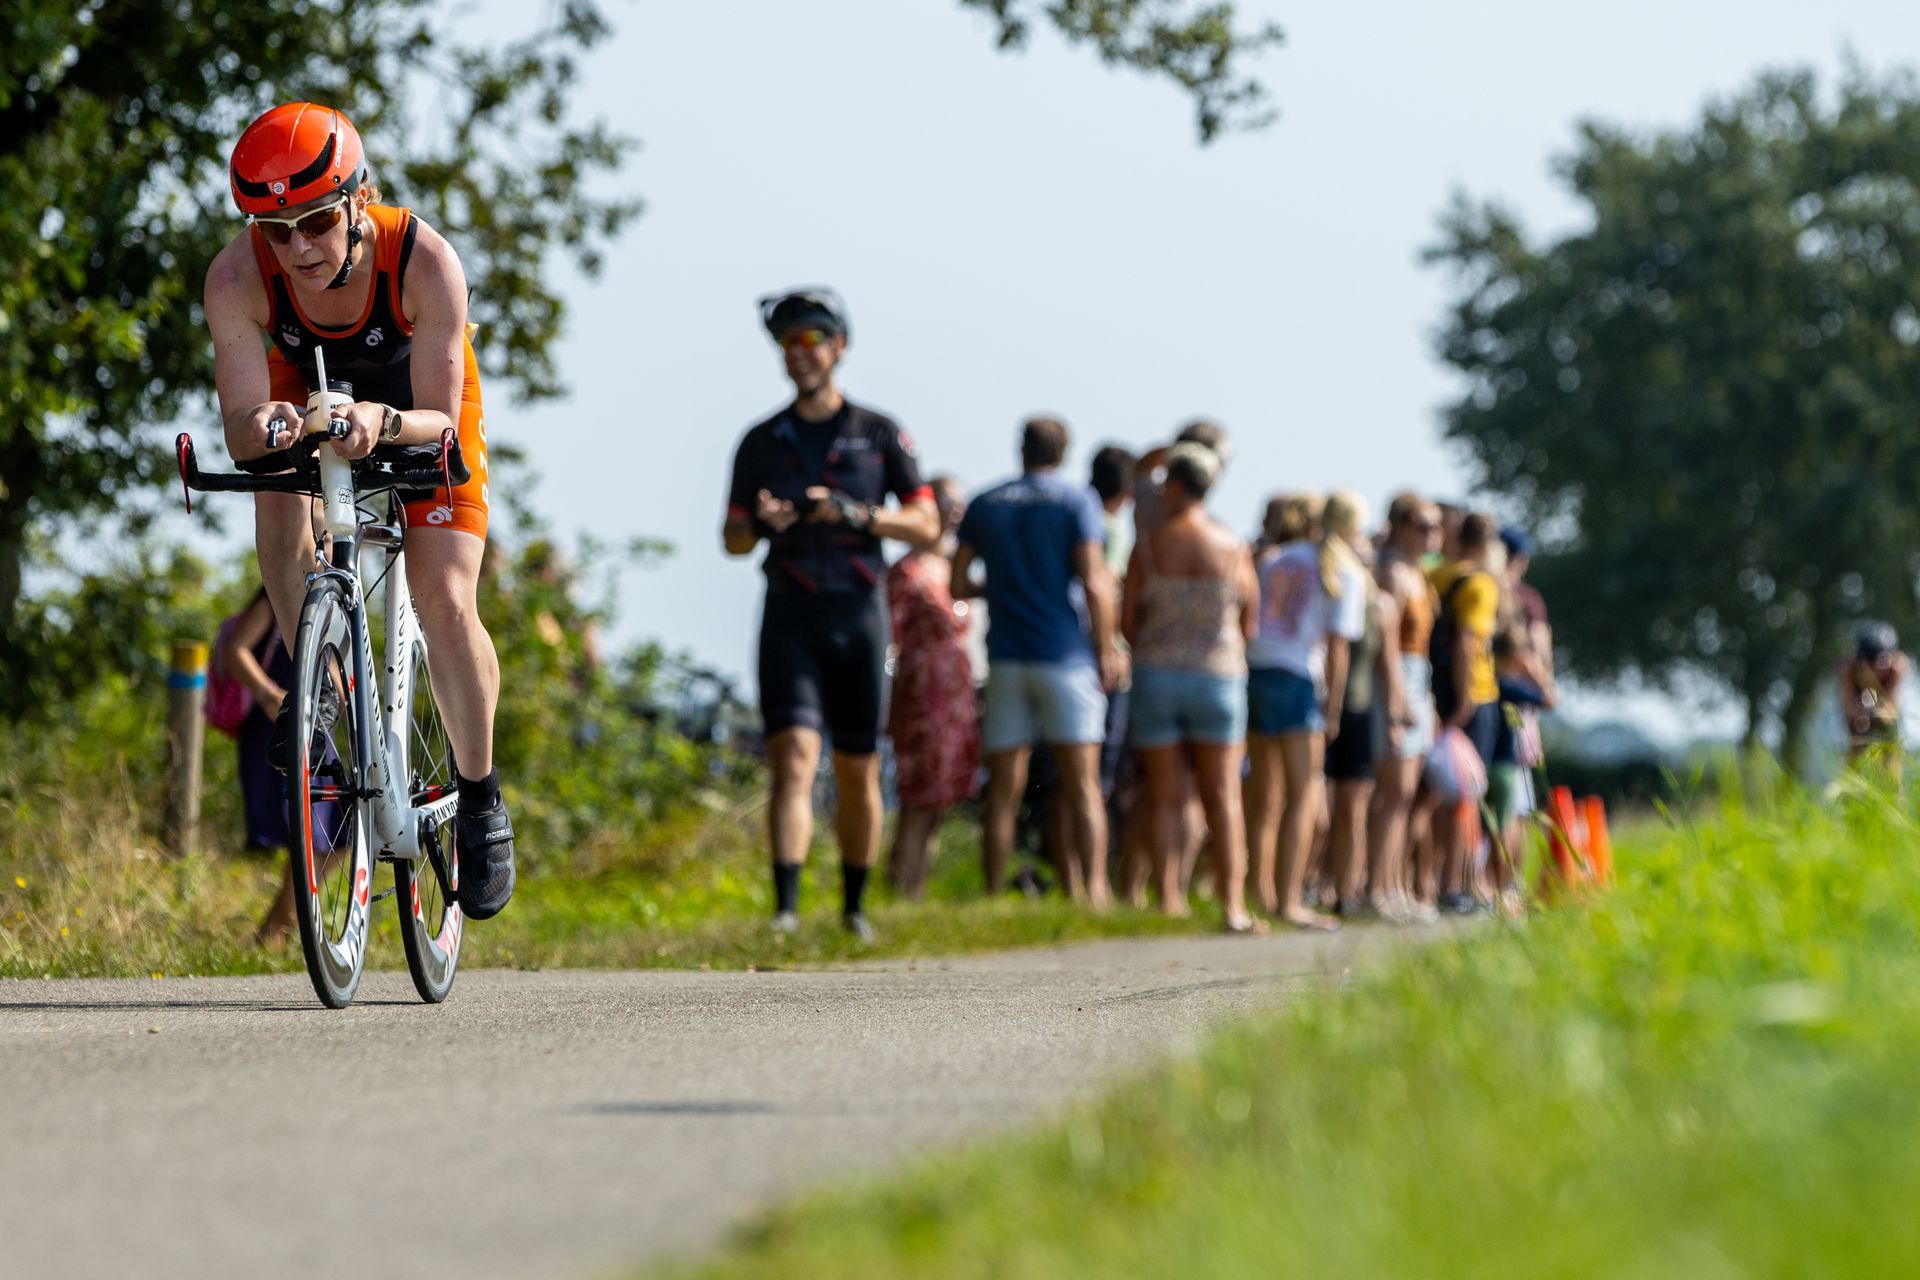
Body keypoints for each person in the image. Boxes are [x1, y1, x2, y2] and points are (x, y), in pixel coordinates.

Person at [205, 102, 515, 919]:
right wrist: (267, 425)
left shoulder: (425, 260)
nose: (299, 248)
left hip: (416, 404)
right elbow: (241, 426)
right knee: (277, 503)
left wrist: (382, 421)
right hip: (304, 385)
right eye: (276, 232)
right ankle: (324, 685)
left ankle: (481, 799)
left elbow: (440, 421)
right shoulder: (237, 279)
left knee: (445, 600)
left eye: (315, 222)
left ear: (358, 198)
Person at [722, 286, 939, 940]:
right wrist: (762, 523)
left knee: (857, 765)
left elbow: (926, 523)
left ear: (838, 347)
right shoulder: (761, 440)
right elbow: (730, 538)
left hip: (859, 614)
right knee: (791, 760)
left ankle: (854, 908)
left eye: (813, 339)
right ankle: (786, 911)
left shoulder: (878, 433)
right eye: (789, 341)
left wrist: (861, 514)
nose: (800, 352)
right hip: (790, 614)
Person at [952, 417, 1120, 906]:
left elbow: (959, 584)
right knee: (1084, 784)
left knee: (1003, 788)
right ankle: (1095, 894)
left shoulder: (986, 502)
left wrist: (1001, 587)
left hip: (1006, 655)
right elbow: (1094, 581)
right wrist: (1107, 647)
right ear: (1063, 453)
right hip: (1064, 655)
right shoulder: (1076, 502)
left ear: (1020, 449)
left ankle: (991, 893)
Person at [1120, 445, 1260, 932]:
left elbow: (1127, 620)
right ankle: (1234, 906)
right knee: (1224, 796)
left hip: (1158, 674)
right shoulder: (1234, 547)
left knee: (1165, 796)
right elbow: (1250, 620)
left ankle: (1169, 899)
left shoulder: (1149, 546)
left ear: (1177, 487)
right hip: (1218, 677)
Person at [1245, 490, 1369, 931]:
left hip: (1256, 669)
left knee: (1263, 797)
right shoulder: (1343, 571)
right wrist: (1333, 706)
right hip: (1297, 675)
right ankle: (1289, 901)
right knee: (1302, 796)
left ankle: (1259, 893)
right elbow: (1338, 649)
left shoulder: (1276, 558)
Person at [884, 478, 980, 899]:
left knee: (941, 798)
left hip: (957, 692)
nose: (955, 511)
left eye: (960, 504)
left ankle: (917, 888)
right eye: (947, 503)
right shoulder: (907, 571)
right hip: (921, 691)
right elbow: (889, 637)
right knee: (917, 797)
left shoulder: (954, 566)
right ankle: (900, 886)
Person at [1368, 494, 1442, 920]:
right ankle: (1379, 888)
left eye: (1436, 526)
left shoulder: (1417, 573)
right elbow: (1389, 646)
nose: (1433, 534)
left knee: (1406, 792)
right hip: (1396, 679)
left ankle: (1395, 885)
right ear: (1401, 526)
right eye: (1424, 525)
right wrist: (1397, 701)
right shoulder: (1393, 573)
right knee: (1392, 791)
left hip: (1417, 678)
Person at [1427, 512, 1503, 913]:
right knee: (1467, 794)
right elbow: (1466, 643)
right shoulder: (1480, 584)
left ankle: (1439, 878)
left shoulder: (1439, 576)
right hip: (1472, 696)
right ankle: (1457, 885)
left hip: (1435, 692)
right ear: (1488, 543)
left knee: (1439, 794)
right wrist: (1466, 700)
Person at [1323, 544, 1402, 916]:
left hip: (1361, 711)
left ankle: (1345, 891)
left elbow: (1389, 664)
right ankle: (1315, 884)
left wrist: (1395, 716)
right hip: (1324, 710)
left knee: (1353, 810)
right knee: (1321, 809)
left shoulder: (1381, 606)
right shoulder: (1331, 594)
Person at [1489, 625, 1556, 908]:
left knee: (1506, 823)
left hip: (1502, 763)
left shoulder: (1495, 682)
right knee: (1508, 825)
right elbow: (1550, 700)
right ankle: (1504, 885)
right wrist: (1537, 670)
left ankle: (1503, 884)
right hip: (1505, 765)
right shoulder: (1510, 685)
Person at [1839, 621, 1907, 762]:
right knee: (1856, 738)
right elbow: (1849, 704)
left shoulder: (1898, 668)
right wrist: (1859, 717)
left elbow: (1891, 706)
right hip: (1859, 708)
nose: (1876, 669)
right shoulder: (1848, 669)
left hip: (1883, 708)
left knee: (1889, 737)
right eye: (1870, 663)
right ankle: (1851, 774)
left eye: (1881, 663)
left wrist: (1876, 714)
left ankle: (1891, 777)